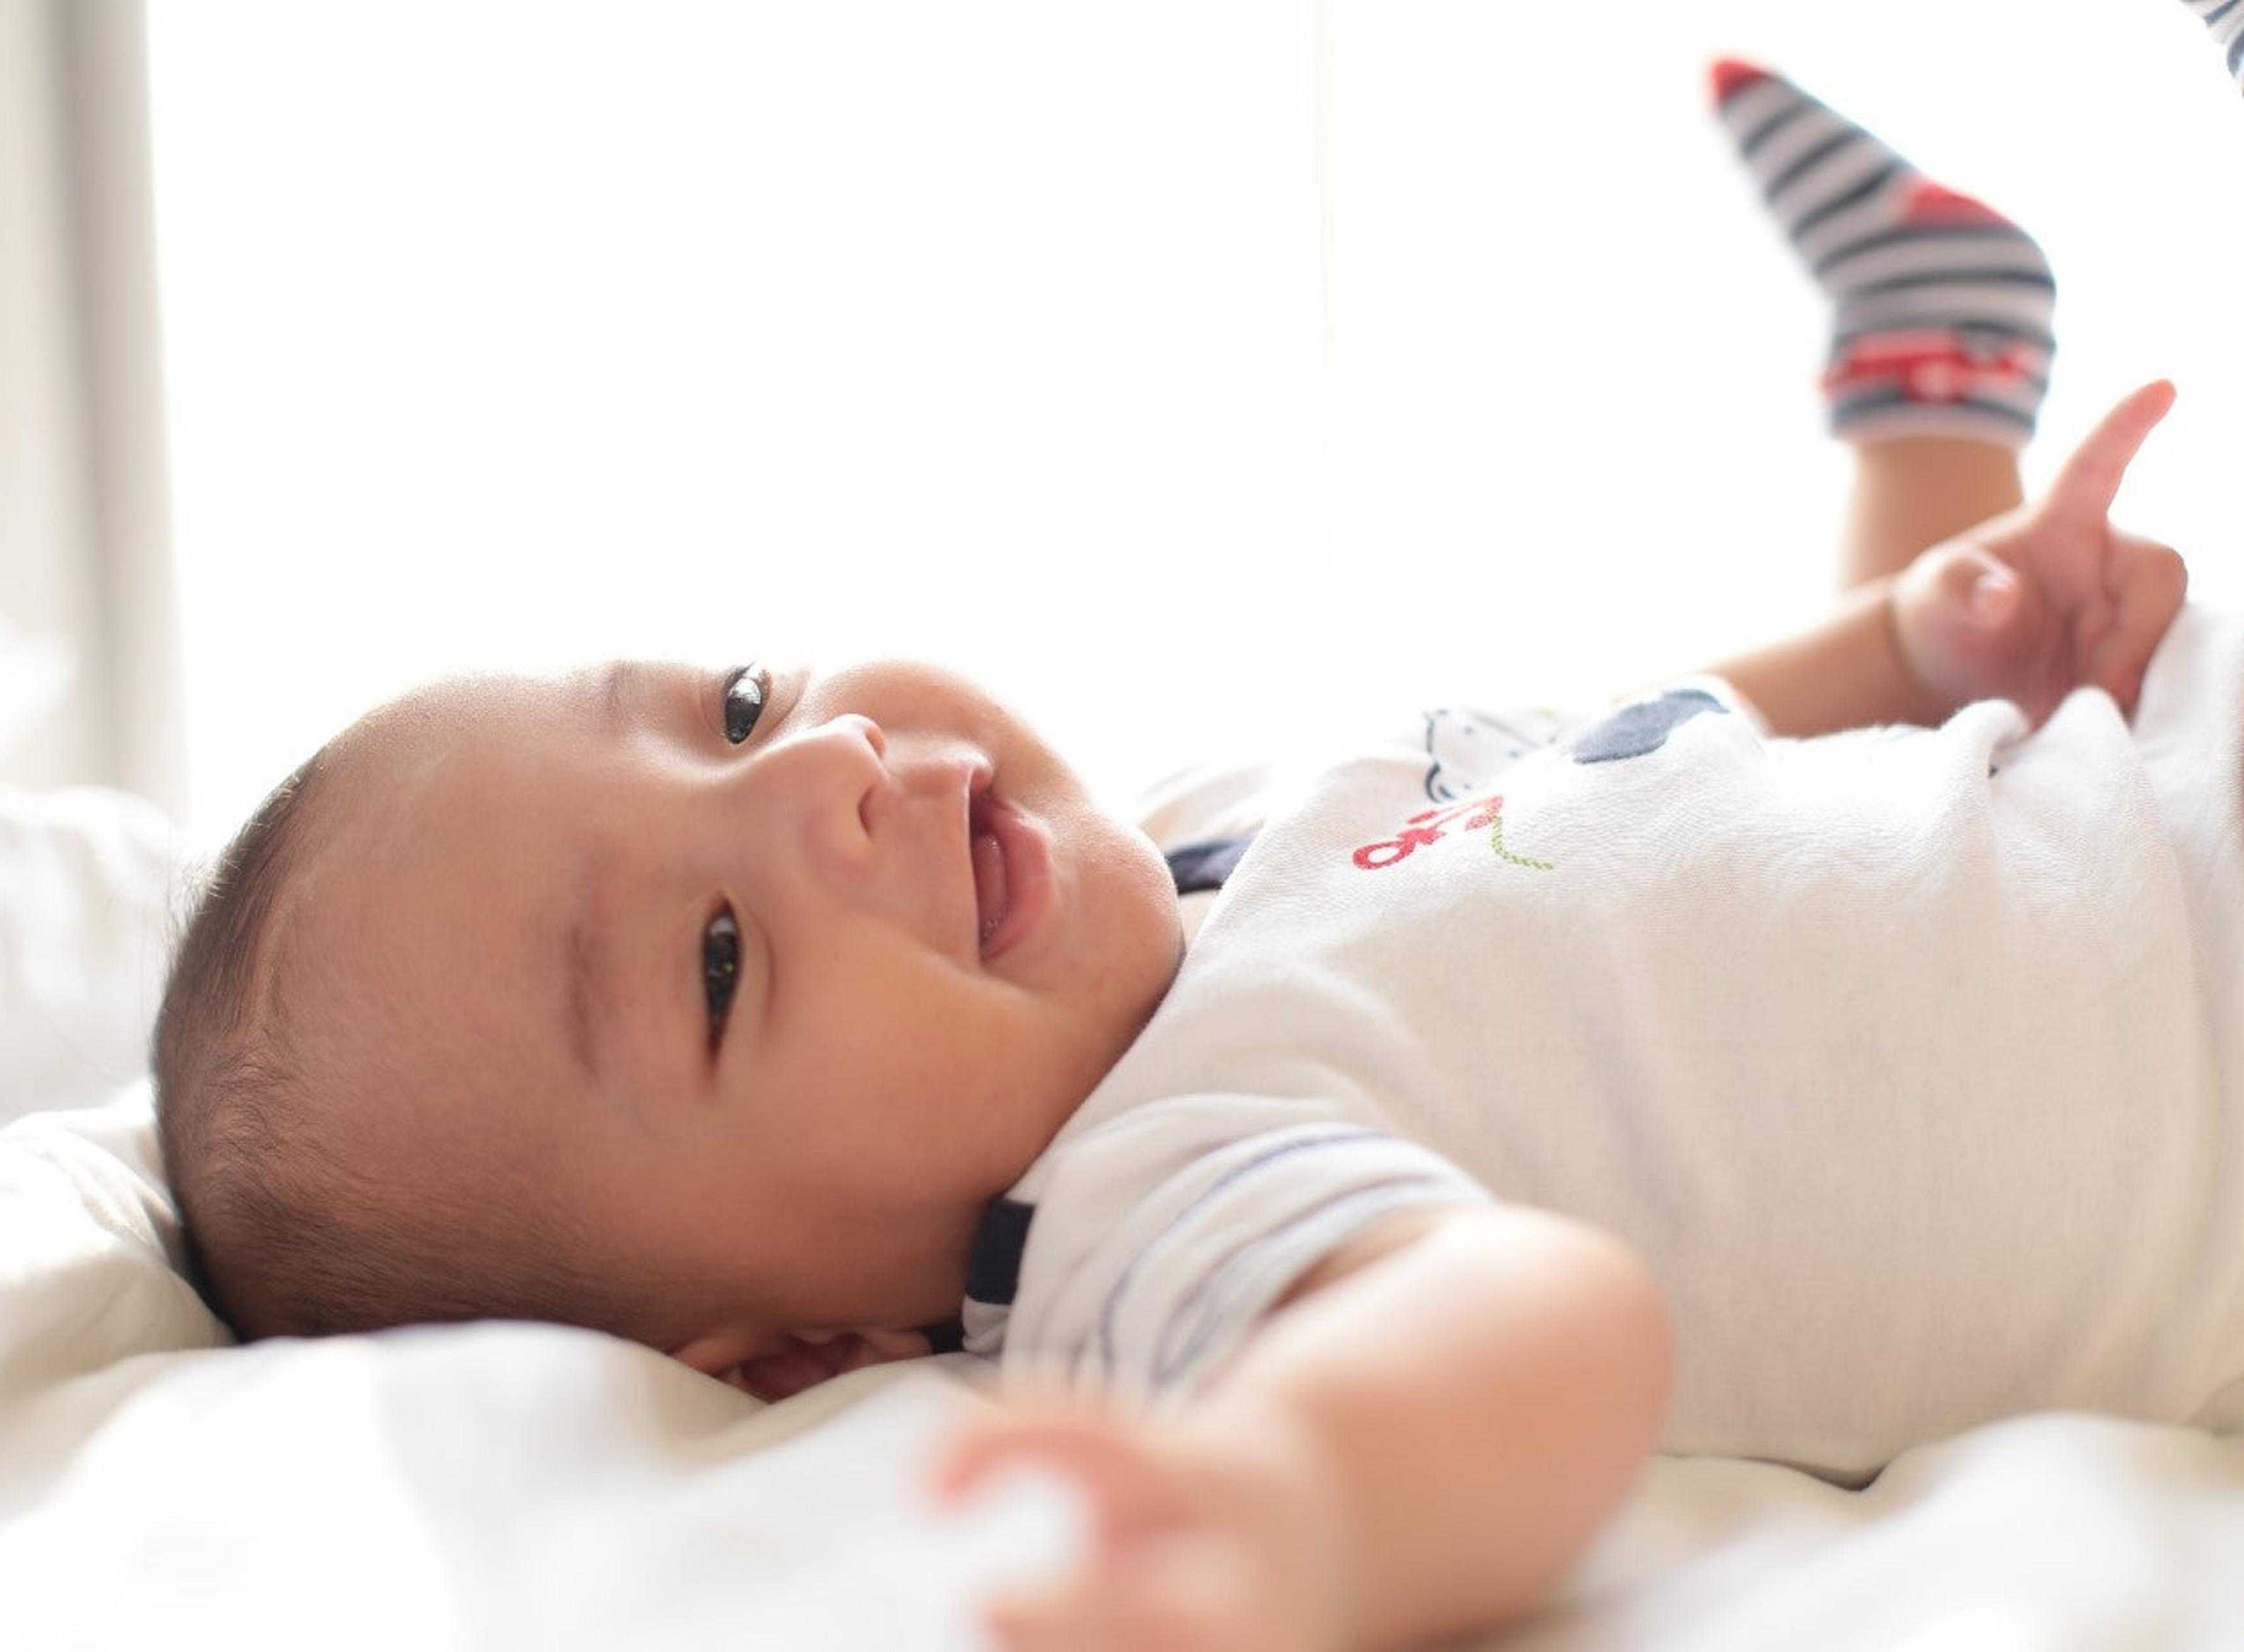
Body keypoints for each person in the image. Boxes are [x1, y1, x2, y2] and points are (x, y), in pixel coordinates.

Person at [152, 65, 2222, 1650]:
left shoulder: (1189, 850)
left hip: (2127, 776)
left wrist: (1910, 645)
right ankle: (1934, 377)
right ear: (798, 1352)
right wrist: (1289, 1500)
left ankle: (1936, 393)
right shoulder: (1152, 1208)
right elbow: (1533, 1322)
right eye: (715, 958)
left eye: (738, 704)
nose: (824, 783)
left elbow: (1637, 757)